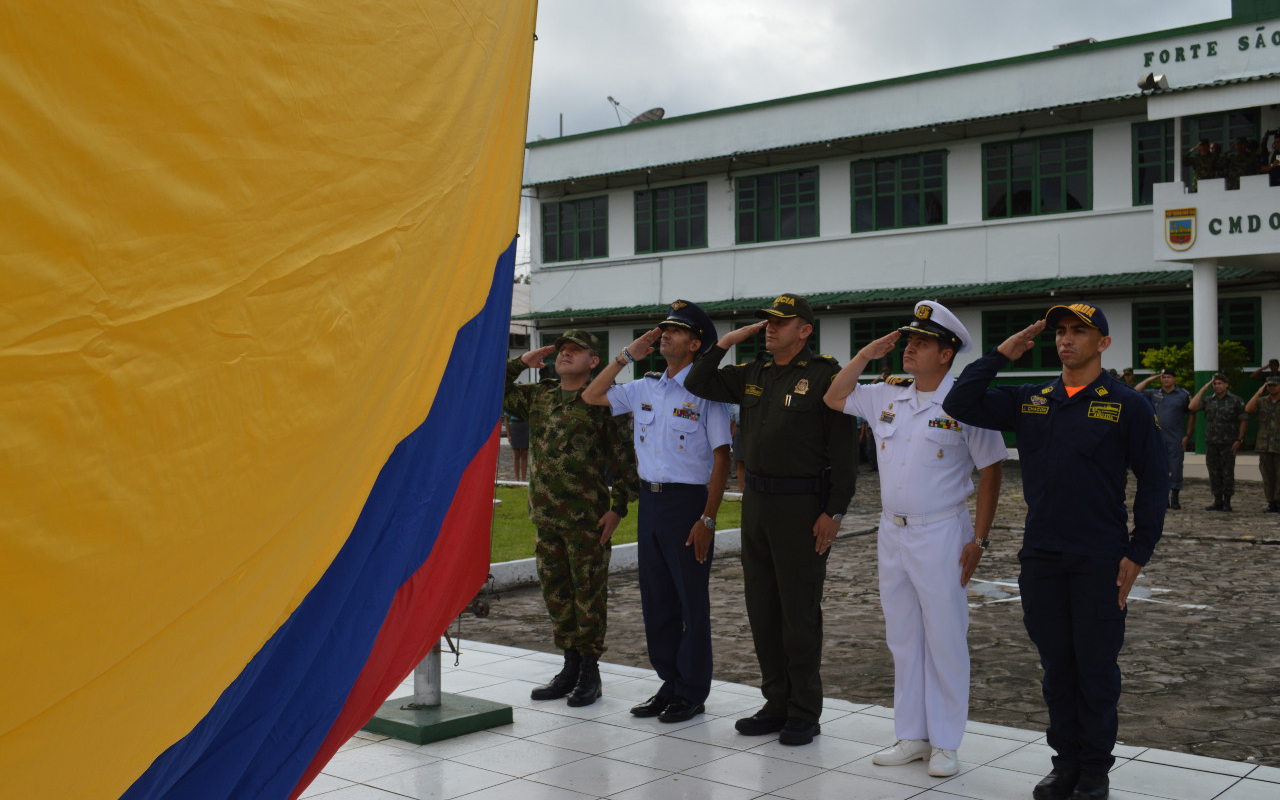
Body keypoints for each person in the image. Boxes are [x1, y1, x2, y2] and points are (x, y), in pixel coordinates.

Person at [942, 302, 1167, 800]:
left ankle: (1094, 772)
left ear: (1103, 344)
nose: (1066, 340)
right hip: (1041, 556)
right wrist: (1003, 352)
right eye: (1061, 332)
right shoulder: (1032, 398)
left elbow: (1154, 479)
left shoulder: (1126, 404)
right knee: (1057, 666)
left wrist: (1139, 550)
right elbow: (960, 401)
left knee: (1095, 667)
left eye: (1079, 333)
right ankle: (1064, 764)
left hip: (1098, 557)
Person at [823, 301, 1005, 778]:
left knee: (945, 637)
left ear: (946, 354)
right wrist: (864, 355)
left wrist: (980, 540)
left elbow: (991, 471)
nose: (909, 348)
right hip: (892, 531)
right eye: (908, 340)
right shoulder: (888, 393)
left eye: (921, 343)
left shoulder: (966, 401)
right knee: (903, 636)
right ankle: (912, 734)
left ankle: (946, 742)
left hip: (943, 531)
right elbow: (834, 398)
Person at [685, 293, 856, 746]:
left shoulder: (825, 376)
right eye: (767, 322)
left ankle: (804, 709)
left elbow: (844, 454)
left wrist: (834, 512)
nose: (770, 328)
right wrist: (726, 342)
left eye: (781, 322)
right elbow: (698, 382)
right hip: (757, 505)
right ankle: (775, 701)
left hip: (802, 509)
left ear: (805, 330)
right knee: (762, 609)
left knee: (799, 613)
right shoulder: (753, 372)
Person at [581, 300, 731, 723]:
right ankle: (670, 680)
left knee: (690, 601)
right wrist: (627, 356)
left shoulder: (706, 391)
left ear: (696, 343)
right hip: (651, 501)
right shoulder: (645, 387)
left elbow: (722, 458)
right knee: (657, 600)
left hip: (688, 504)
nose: (664, 334)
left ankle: (693, 690)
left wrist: (708, 518)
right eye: (662, 329)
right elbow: (592, 395)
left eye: (676, 331)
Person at [503, 330, 638, 707]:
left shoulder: (603, 400)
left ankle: (590, 672)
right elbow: (490, 389)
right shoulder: (539, 395)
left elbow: (623, 459)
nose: (565, 355)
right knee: (557, 594)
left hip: (587, 519)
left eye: (575, 351)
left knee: (588, 596)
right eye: (562, 350)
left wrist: (619, 508)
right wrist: (520, 363)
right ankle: (569, 667)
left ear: (594, 361)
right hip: (545, 517)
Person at [1134, 368, 1194, 509]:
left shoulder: (1183, 395)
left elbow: (1192, 413)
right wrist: (1150, 379)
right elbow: (1136, 391)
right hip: (1157, 438)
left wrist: (1188, 435)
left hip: (1175, 438)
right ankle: (1163, 497)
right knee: (1159, 469)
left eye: (1168, 377)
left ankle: (1175, 497)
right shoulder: (1155, 393)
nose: (1165, 379)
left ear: (1174, 379)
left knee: (1176, 468)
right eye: (1163, 377)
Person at [1188, 373, 1248, 512]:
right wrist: (1204, 388)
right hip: (1212, 441)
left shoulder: (1236, 400)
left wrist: (1240, 440)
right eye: (1215, 384)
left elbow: (1244, 421)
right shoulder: (1208, 400)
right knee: (1214, 472)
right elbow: (1192, 406)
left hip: (1229, 442)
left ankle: (1227, 501)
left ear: (1226, 384)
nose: (1217, 386)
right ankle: (1217, 500)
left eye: (1220, 383)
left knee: (1227, 472)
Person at [1246, 376, 1280, 513]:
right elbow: (1248, 409)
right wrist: (1258, 392)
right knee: (1267, 475)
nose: (1271, 388)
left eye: (1274, 385)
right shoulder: (1261, 401)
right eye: (1269, 385)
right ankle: (1271, 502)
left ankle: (1278, 502)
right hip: (1264, 445)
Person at [504, 412, 530, 482]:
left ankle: (524, 480)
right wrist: (508, 434)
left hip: (526, 425)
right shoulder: (512, 403)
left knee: (525, 453)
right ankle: (517, 479)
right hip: (515, 426)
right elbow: (506, 419)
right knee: (516, 454)